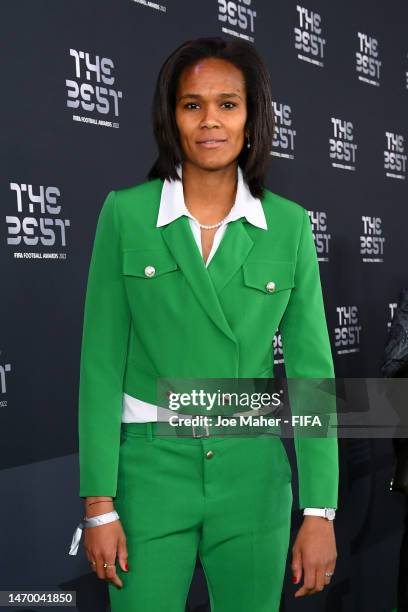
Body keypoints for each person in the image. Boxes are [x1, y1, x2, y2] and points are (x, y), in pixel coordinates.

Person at [68, 36, 339, 611]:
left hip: (252, 475)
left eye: (228, 104)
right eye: (193, 105)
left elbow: (313, 374)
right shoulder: (126, 214)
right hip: (148, 473)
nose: (210, 121)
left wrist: (319, 511)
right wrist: (100, 505)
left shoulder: (288, 226)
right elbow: (99, 365)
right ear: (172, 118)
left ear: (251, 117)